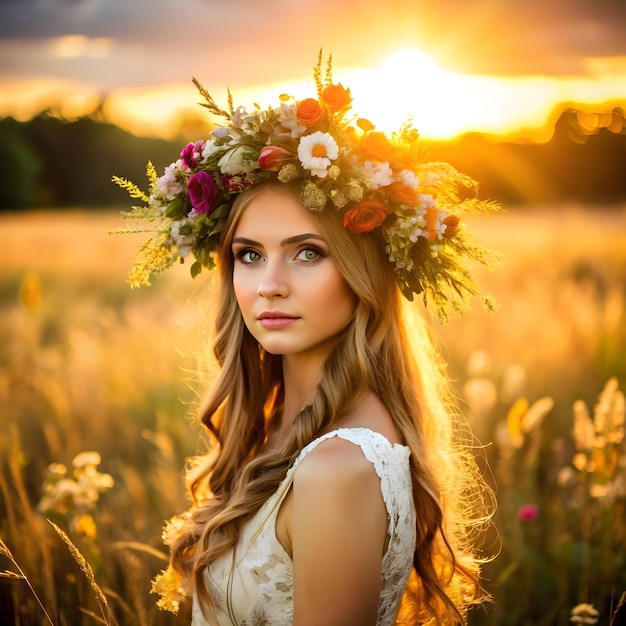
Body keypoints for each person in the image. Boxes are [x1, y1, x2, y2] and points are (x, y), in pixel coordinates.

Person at [114, 52, 498, 625]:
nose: (269, 286)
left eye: (307, 253)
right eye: (249, 255)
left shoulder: (338, 467)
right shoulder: (283, 423)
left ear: (362, 273)